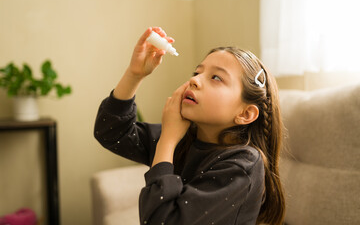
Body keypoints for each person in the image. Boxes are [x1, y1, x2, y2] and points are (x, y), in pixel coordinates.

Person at [94, 27, 285, 225]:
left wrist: (167, 140)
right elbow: (111, 132)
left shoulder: (243, 165)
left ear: (245, 114)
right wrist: (135, 74)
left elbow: (162, 221)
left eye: (216, 77)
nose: (194, 80)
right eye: (197, 72)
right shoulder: (185, 137)